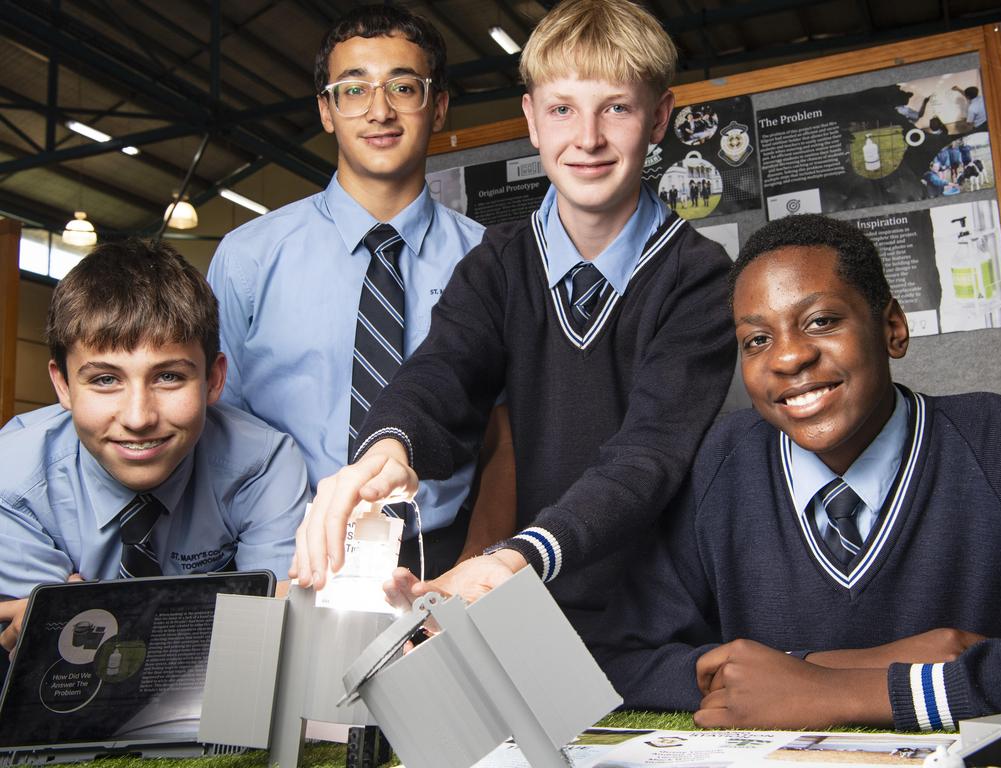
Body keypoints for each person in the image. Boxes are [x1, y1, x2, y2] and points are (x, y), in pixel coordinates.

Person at [292, 0, 736, 648]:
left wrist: (514, 558)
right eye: (561, 109)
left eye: (616, 107)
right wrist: (386, 454)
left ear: (660, 117)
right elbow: (443, 371)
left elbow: (647, 457)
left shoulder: (698, 277)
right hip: (531, 626)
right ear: (531, 120)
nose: (587, 137)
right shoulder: (497, 264)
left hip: (660, 630)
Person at [596, 213, 1001, 731]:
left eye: (821, 320)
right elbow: (619, 657)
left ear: (892, 327)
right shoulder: (720, 465)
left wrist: (840, 687)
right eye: (757, 340)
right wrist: (812, 669)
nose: (790, 357)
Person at [207, 5, 512, 578]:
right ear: (326, 110)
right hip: (283, 554)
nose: (379, 110)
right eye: (353, 89)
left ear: (439, 106)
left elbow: (505, 433)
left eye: (403, 86)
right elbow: (218, 426)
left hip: (440, 556)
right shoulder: (248, 258)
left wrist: (474, 569)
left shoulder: (491, 262)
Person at [0, 239, 310, 653]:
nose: (138, 417)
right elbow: (65, 656)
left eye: (168, 377)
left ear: (214, 379)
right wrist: (230, 605)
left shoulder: (264, 464)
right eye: (105, 380)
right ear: (63, 385)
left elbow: (275, 633)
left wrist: (87, 608)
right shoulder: (12, 480)